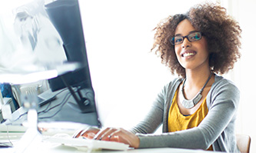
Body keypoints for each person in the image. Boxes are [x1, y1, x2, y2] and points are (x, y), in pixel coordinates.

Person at [73, 2, 241, 152]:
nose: (185, 44)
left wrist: (137, 140)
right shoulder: (170, 90)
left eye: (194, 36)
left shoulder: (226, 91)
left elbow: (203, 137)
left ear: (212, 42)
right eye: (178, 39)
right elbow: (142, 130)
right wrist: (106, 136)